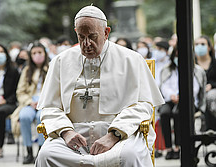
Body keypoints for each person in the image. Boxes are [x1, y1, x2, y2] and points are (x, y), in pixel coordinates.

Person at [35, 5, 164, 167]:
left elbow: (144, 105)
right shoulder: (60, 62)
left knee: (130, 156)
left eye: (92, 36)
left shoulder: (131, 60)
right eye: (81, 37)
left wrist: (114, 135)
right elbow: (49, 107)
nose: (86, 43)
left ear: (106, 32)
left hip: (119, 135)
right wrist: (67, 132)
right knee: (46, 155)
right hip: (73, 135)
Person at [159, 45, 206, 160]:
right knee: (164, 113)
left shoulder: (196, 70)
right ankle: (169, 147)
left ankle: (178, 147)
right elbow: (164, 85)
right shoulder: (167, 69)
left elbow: (195, 88)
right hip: (170, 99)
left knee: (178, 114)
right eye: (176, 54)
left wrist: (182, 95)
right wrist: (172, 95)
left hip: (188, 100)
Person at [11, 41, 48, 164]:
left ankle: (41, 150)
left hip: (45, 103)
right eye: (34, 53)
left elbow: (55, 89)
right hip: (29, 102)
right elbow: (20, 92)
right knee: (24, 116)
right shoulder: (27, 70)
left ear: (45, 53)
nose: (37, 55)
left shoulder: (51, 68)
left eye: (40, 52)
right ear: (30, 56)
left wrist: (43, 102)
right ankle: (28, 151)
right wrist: (29, 102)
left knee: (41, 118)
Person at [194, 35, 216, 131]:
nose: (199, 46)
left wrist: (211, 85)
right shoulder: (192, 64)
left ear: (209, 47)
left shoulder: (214, 63)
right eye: (197, 44)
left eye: (203, 44)